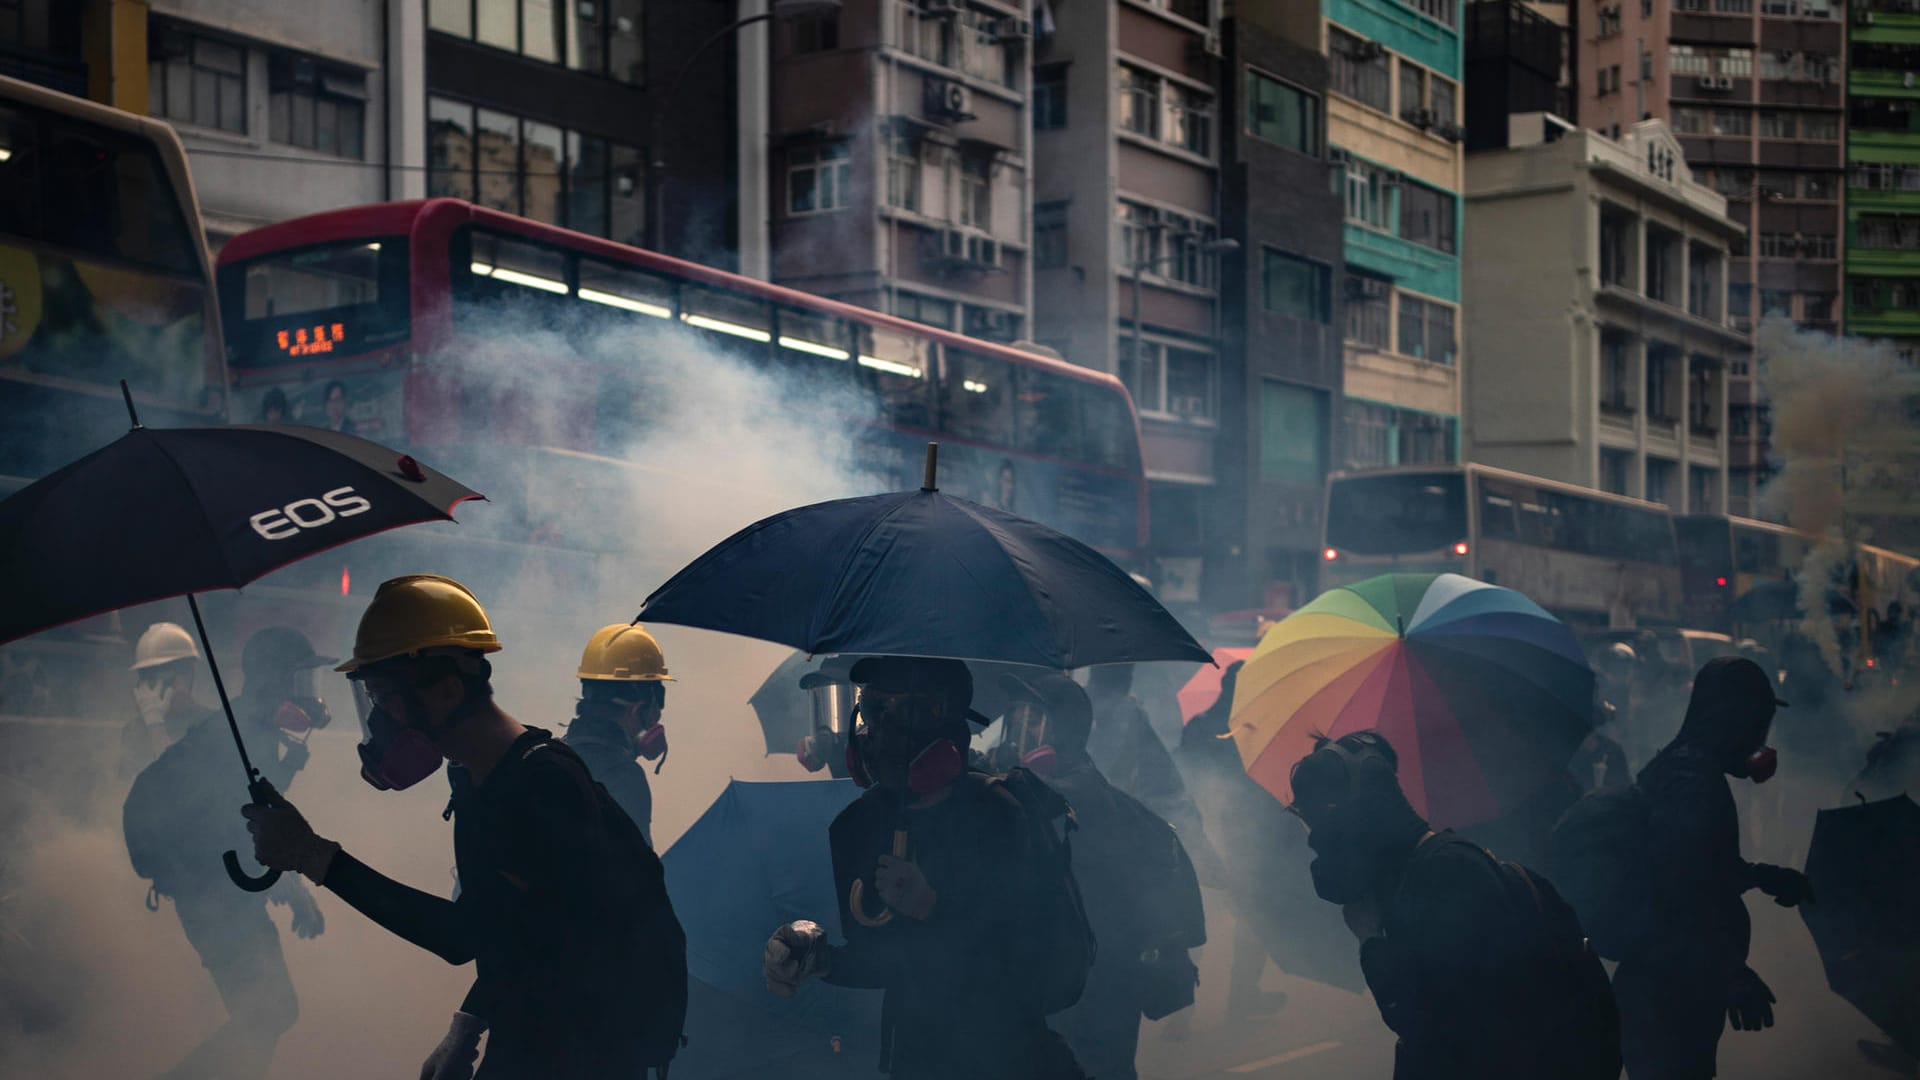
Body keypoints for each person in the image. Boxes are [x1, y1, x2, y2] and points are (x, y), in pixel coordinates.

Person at [241, 574, 687, 1079]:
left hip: (592, 1045)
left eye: (385, 700)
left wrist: (313, 856)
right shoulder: (476, 778)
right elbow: (514, 929)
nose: (380, 723)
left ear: (448, 691)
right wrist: (470, 1025)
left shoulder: (543, 784)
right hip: (540, 1021)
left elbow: (465, 935)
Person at [761, 656, 1087, 1080]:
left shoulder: (1003, 817)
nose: (886, 730)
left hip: (1008, 1058)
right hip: (916, 1059)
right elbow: (889, 961)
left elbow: (1042, 972)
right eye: (876, 708)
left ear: (950, 721)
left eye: (911, 710)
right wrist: (819, 960)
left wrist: (933, 909)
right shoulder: (858, 827)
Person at [1290, 730, 1620, 1080]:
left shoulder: (1443, 877)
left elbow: (1444, 1028)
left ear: (1350, 816)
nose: (1314, 841)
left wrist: (1372, 944)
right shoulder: (1430, 869)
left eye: (1315, 821)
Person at [121, 629, 330, 1079]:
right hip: (212, 894)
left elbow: (245, 817)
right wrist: (286, 880)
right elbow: (227, 819)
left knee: (269, 1013)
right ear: (278, 681)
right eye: (301, 681)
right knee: (270, 1012)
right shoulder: (240, 732)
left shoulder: (247, 727)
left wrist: (284, 879)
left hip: (220, 890)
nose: (310, 694)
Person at [1613, 656, 1812, 1080]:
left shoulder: (1683, 768)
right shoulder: (1692, 782)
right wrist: (1731, 972)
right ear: (1734, 718)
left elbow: (1702, 865)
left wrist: (1760, 875)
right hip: (1667, 991)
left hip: (1669, 986)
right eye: (1760, 721)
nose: (1762, 736)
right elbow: (1680, 893)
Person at [999, 671, 1204, 1080]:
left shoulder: (1075, 799)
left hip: (1095, 990)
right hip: (1063, 985)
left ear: (1062, 737)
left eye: (1031, 724)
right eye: (1015, 722)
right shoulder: (1025, 794)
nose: (1015, 737)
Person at [565, 623, 673, 847]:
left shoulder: (558, 754)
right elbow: (639, 877)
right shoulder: (625, 779)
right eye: (657, 703)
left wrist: (629, 749)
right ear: (637, 708)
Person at [123, 621, 219, 780]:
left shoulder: (210, 725)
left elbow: (179, 782)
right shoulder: (134, 730)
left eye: (180, 673)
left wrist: (155, 724)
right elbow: (125, 788)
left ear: (189, 675)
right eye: (149, 678)